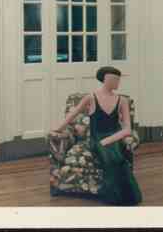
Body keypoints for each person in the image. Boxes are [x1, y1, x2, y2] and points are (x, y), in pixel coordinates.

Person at [51, 66, 142, 206]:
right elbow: (73, 114)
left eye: (119, 79)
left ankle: (127, 197)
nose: (118, 82)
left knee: (118, 159)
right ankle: (115, 197)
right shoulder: (91, 98)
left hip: (114, 138)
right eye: (115, 79)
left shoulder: (122, 100)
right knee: (109, 158)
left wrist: (108, 140)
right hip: (96, 139)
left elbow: (127, 129)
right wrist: (58, 129)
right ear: (105, 79)